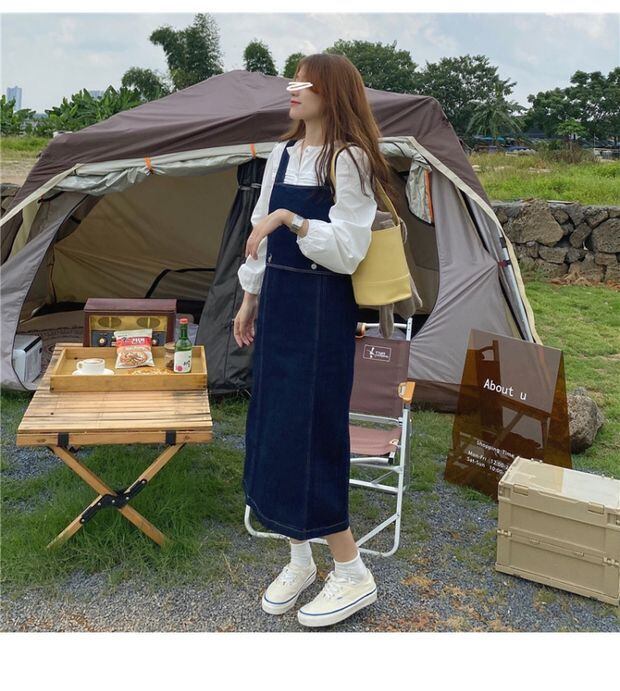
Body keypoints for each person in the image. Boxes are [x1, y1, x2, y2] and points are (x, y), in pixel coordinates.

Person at [233, 53, 397, 628]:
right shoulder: (281, 154)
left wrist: (293, 219)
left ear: (333, 93)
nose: (293, 89)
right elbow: (258, 233)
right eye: (293, 80)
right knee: (275, 427)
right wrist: (249, 298)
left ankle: (353, 572)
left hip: (323, 311)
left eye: (306, 82)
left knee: (313, 433)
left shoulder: (350, 159)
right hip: (279, 305)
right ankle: (300, 559)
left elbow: (349, 250)